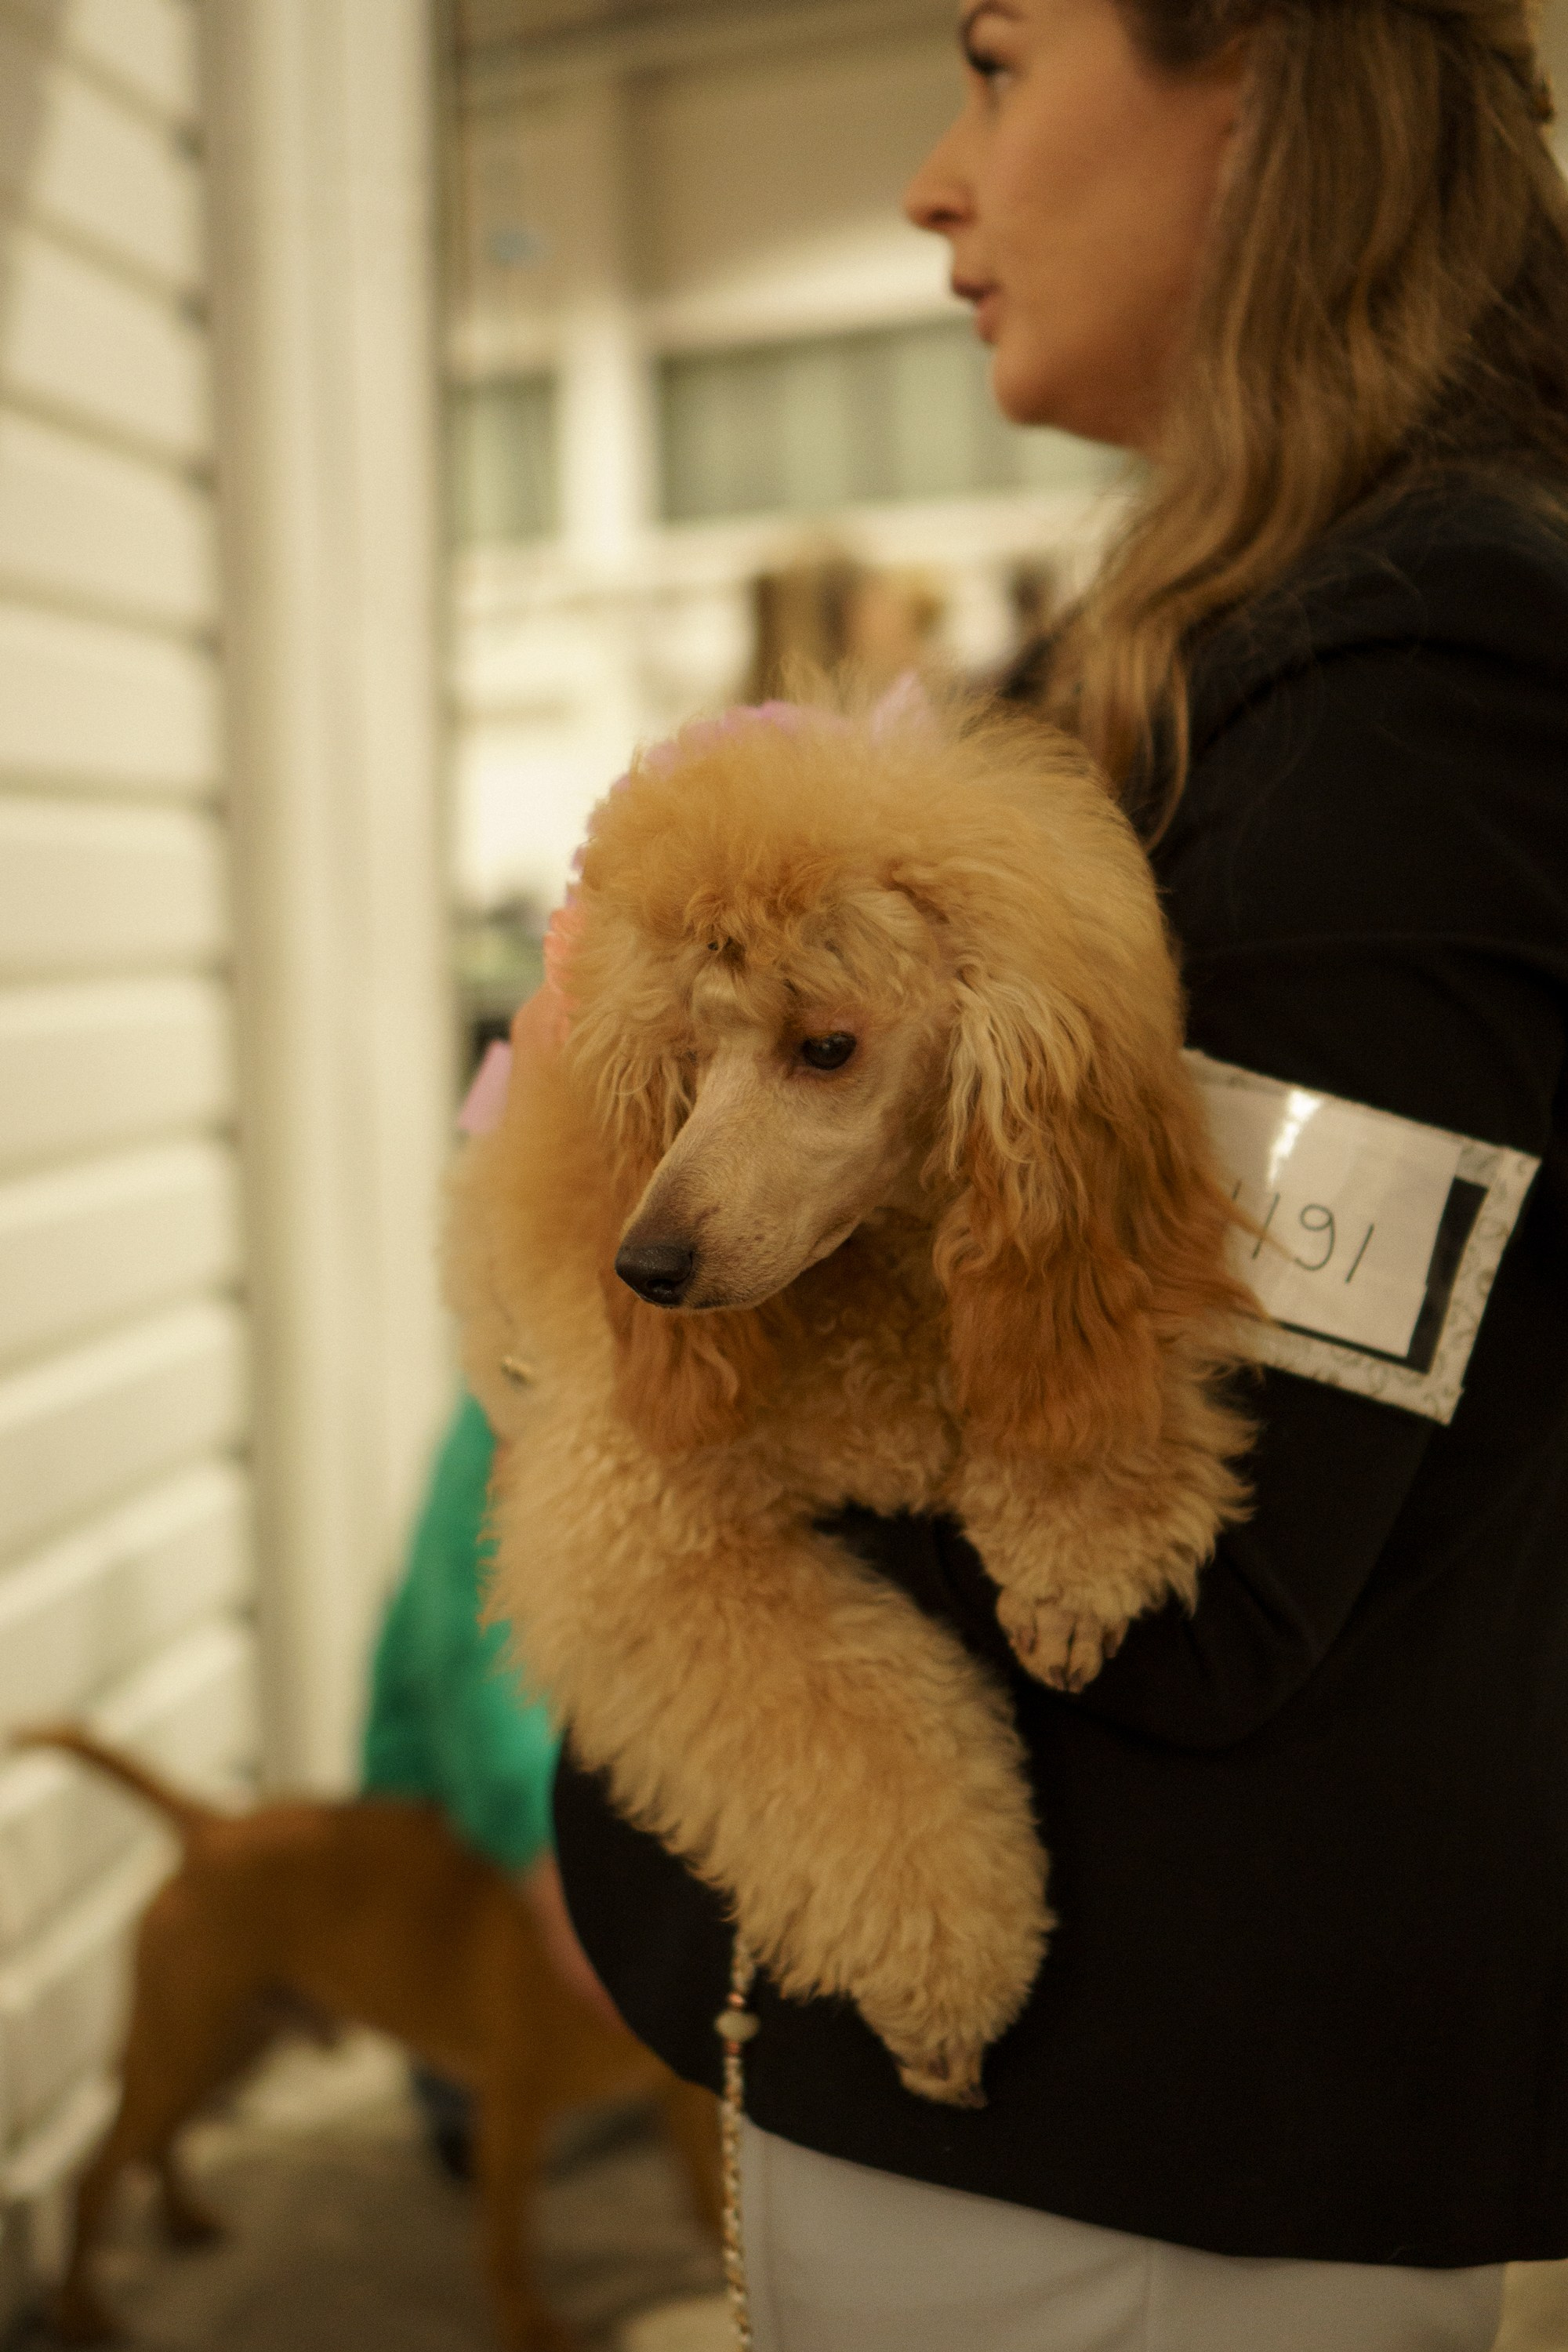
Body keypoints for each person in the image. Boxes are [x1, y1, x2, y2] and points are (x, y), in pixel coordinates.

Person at [539, 4, 1568, 2347]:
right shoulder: (1283, 653)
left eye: (1000, 60)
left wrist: (633, 1409)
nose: (936, 175)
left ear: (1266, 77)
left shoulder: (1419, 687)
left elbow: (1189, 1572)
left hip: (1136, 2159)